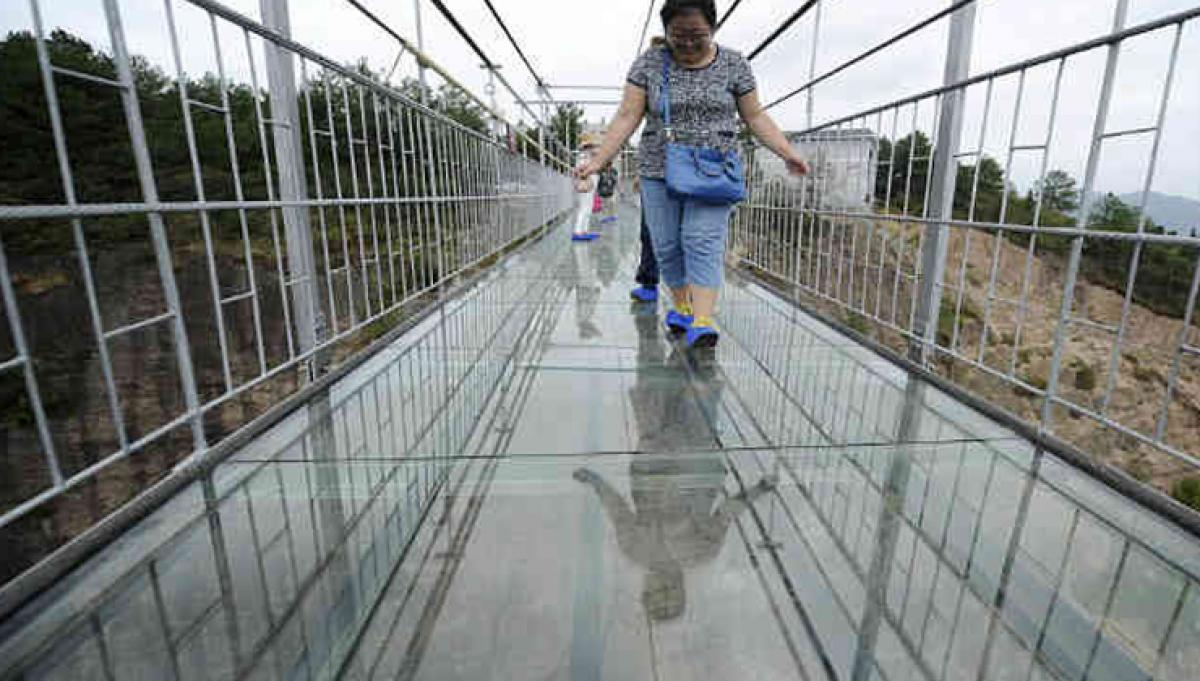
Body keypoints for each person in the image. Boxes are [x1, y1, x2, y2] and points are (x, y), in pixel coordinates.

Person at [576, 0, 809, 348]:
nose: (686, 43)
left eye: (697, 35)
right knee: (667, 245)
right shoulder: (649, 64)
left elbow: (755, 116)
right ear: (666, 31)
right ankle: (683, 307)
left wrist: (787, 152)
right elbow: (627, 116)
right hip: (659, 169)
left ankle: (702, 319)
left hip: (716, 169)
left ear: (712, 29)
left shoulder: (735, 65)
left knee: (702, 240)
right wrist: (598, 161)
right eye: (677, 35)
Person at [572, 136, 601, 242]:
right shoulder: (584, 156)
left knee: (588, 207)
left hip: (590, 181)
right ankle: (578, 231)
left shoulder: (586, 156)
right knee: (585, 207)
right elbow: (580, 169)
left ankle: (584, 230)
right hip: (587, 182)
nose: (592, 148)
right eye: (590, 146)